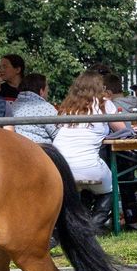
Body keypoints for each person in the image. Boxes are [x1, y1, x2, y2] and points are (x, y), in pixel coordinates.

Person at [52, 70, 117, 198]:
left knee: (85, 188)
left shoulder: (68, 106)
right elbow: (121, 129)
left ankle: (84, 216)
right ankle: (98, 218)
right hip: (89, 167)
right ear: (99, 88)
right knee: (112, 187)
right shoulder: (104, 104)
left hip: (61, 168)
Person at [9, 73, 57, 145]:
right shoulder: (46, 108)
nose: (48, 93)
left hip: (17, 148)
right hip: (41, 151)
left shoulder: (12, 106)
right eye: (47, 90)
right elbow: (58, 134)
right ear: (41, 91)